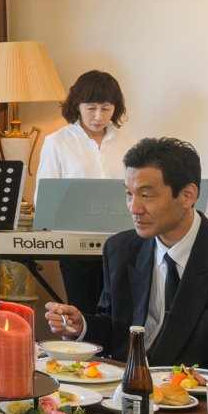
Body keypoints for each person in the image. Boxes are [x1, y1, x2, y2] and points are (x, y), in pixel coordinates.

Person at [42, 137, 208, 389]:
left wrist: (179, 384)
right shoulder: (120, 249)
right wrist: (83, 326)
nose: (134, 208)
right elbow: (116, 329)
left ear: (188, 195)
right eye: (128, 194)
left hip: (200, 404)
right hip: (125, 393)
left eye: (146, 195)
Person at [33, 70, 131, 319]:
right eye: (91, 108)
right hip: (77, 246)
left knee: (123, 315)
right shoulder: (58, 142)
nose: (99, 117)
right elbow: (45, 199)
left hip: (124, 243)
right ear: (77, 105)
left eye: (107, 108)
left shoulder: (130, 142)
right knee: (83, 316)